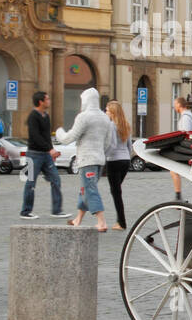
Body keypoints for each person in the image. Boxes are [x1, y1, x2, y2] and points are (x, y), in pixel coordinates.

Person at [55, 88, 112, 232]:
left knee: (90, 190)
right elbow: (108, 142)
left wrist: (59, 132)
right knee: (85, 190)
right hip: (99, 160)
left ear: (85, 100)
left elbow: (69, 138)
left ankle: (102, 222)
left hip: (87, 160)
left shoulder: (83, 117)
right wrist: (99, 152)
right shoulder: (105, 118)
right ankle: (77, 220)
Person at [20, 92, 66, 219]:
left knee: (56, 179)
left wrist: (52, 150)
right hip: (33, 155)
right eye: (47, 99)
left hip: (46, 155)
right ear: (41, 102)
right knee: (30, 183)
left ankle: (56, 210)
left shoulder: (46, 116)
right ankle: (25, 212)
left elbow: (46, 137)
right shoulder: (32, 117)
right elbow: (35, 136)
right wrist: (50, 149)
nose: (49, 101)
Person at [104, 101, 132, 230]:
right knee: (117, 191)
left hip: (114, 160)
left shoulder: (111, 125)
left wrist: (104, 156)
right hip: (125, 161)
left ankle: (121, 222)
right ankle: (119, 221)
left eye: (107, 110)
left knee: (116, 192)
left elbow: (112, 144)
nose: (106, 112)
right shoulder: (126, 125)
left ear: (113, 112)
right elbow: (129, 146)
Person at [171, 96, 192, 199]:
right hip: (185, 148)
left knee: (173, 169)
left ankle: (178, 195)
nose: (174, 107)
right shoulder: (186, 116)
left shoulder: (185, 118)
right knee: (174, 170)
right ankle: (178, 194)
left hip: (185, 149)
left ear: (179, 105)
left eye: (175, 104)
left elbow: (185, 135)